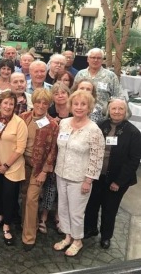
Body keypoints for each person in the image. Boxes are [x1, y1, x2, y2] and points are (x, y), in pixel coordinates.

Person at [84, 98, 141, 249]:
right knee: (92, 204)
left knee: (110, 209)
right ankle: (90, 229)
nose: (116, 112)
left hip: (117, 179)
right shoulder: (100, 126)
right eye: (113, 108)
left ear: (126, 112)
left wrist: (119, 182)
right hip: (97, 176)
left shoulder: (133, 133)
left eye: (120, 109)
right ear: (108, 110)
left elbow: (133, 161)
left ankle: (106, 236)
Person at [53, 90, 105, 257]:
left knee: (76, 212)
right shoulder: (65, 123)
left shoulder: (93, 129)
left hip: (80, 178)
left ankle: (77, 240)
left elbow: (97, 158)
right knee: (62, 208)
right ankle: (67, 236)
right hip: (61, 173)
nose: (79, 107)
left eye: (83, 104)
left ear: (89, 107)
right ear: (71, 105)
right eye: (76, 104)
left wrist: (88, 180)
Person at [0, 90, 28, 246]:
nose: (8, 106)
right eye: (5, 103)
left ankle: (7, 226)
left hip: (12, 167)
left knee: (9, 197)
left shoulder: (19, 123)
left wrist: (5, 165)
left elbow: (20, 148)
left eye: (11, 103)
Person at [19, 89, 59, 251]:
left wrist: (44, 171)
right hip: (22, 164)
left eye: (45, 103)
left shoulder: (53, 124)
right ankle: (28, 223)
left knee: (31, 198)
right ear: (33, 102)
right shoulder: (23, 118)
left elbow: (53, 150)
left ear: (49, 105)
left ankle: (28, 237)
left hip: (39, 168)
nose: (41, 105)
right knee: (23, 195)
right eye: (38, 102)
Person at [39, 82, 72, 234]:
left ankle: (59, 216)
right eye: (56, 93)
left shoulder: (74, 112)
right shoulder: (48, 111)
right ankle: (44, 216)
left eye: (63, 93)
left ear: (68, 95)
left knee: (62, 188)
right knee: (50, 187)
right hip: (51, 154)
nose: (60, 95)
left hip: (68, 155)